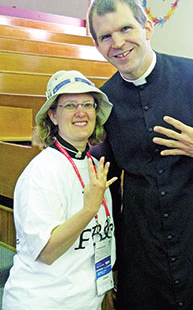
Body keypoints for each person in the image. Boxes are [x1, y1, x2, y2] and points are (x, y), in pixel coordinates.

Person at [87, 0, 193, 310]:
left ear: (146, 27)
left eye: (125, 29)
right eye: (105, 36)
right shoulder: (104, 101)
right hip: (143, 256)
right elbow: (108, 180)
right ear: (96, 45)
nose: (117, 43)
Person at [2, 70, 117, 310]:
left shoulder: (95, 166)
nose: (81, 112)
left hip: (86, 300)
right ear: (53, 116)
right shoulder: (41, 172)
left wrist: (103, 287)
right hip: (44, 302)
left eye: (88, 104)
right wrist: (89, 210)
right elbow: (46, 252)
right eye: (70, 105)